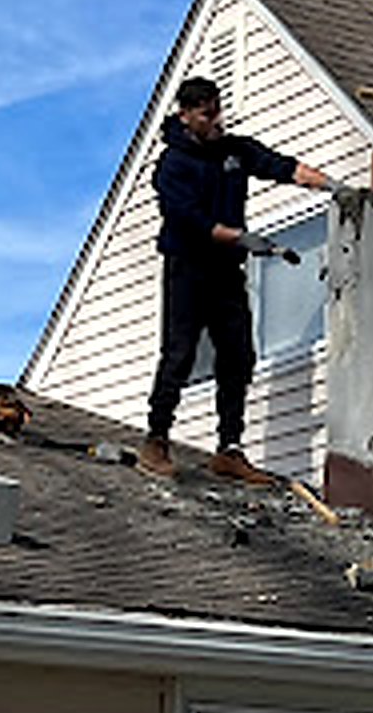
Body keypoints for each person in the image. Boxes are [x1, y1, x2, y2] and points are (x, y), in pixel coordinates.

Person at [138, 76, 331, 483]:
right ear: (186, 115)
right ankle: (156, 440)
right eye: (207, 113)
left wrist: (335, 187)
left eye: (217, 109)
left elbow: (283, 167)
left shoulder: (235, 152)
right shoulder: (173, 165)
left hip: (226, 270)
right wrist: (242, 238)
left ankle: (229, 448)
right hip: (188, 266)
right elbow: (189, 219)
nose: (215, 119)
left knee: (238, 354)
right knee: (180, 353)